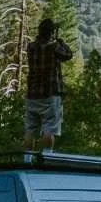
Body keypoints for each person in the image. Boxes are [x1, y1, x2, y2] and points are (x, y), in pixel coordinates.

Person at [23, 17, 73, 151]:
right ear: (51, 33)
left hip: (32, 94)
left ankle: (27, 160)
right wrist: (61, 42)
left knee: (30, 131)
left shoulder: (31, 47)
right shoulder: (54, 47)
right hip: (50, 94)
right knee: (49, 129)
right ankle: (47, 157)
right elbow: (68, 55)